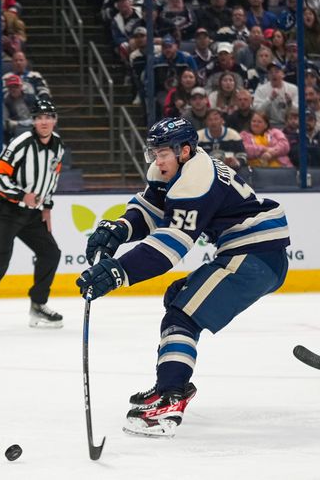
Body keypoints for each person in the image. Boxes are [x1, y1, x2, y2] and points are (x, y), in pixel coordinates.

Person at [76, 117, 290, 438]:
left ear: (184, 150)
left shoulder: (196, 178)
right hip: (249, 254)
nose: (156, 160)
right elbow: (151, 210)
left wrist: (118, 272)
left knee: (183, 314)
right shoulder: (176, 170)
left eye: (163, 153)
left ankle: (170, 398)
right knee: (179, 299)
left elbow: (171, 244)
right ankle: (170, 382)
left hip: (255, 256)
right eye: (154, 153)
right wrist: (119, 228)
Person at [0, 99, 65, 334]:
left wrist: (47, 207)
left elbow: (52, 177)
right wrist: (21, 195)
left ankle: (38, 305)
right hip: (6, 210)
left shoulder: (58, 145)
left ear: (54, 120)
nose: (44, 121)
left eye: (48, 116)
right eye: (39, 117)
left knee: (51, 252)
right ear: (33, 120)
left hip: (33, 213)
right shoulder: (22, 143)